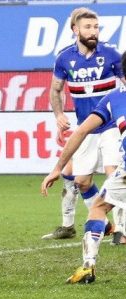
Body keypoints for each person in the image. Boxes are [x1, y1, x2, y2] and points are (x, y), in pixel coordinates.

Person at [41, 52, 126, 283]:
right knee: (95, 200)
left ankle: (88, 267)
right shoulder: (112, 98)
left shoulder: (114, 98)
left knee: (98, 208)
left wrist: (57, 168)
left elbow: (80, 132)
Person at [41, 8, 124, 242]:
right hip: (86, 128)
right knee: (81, 181)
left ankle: (121, 230)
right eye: (88, 27)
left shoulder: (111, 55)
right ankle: (104, 223)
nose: (93, 31)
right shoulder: (64, 58)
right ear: (75, 30)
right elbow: (56, 89)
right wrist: (59, 114)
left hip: (111, 126)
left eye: (96, 27)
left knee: (114, 174)